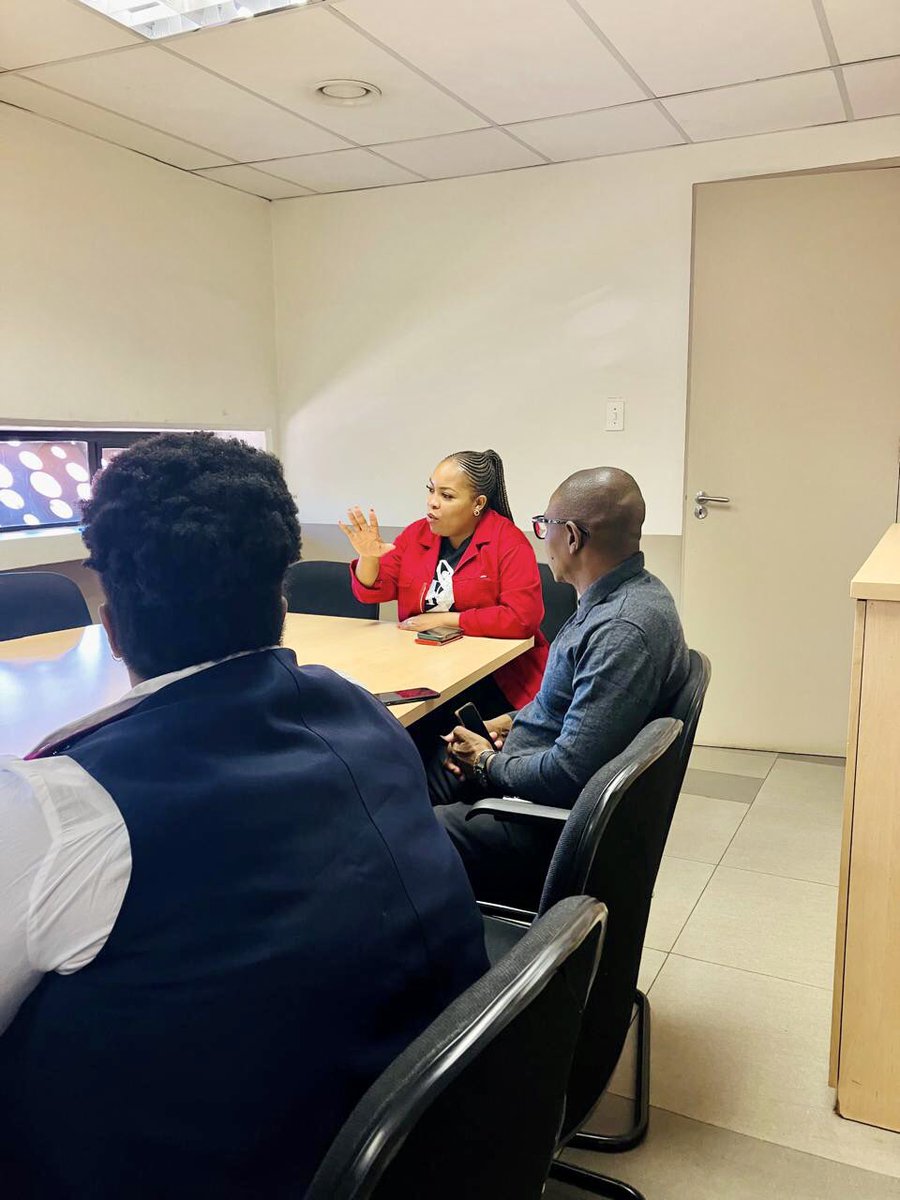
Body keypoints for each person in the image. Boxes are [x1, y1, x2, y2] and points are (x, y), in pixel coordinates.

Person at [0, 433, 488, 1199]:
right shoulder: (364, 713)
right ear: (282, 593)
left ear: (110, 616)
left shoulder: (68, 802)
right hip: (416, 1141)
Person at [435, 467, 690, 909]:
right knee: (412, 775)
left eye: (543, 526)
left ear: (572, 536)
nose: (541, 538)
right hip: (528, 784)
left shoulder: (620, 628)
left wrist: (486, 762)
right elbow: (575, 709)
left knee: (397, 829)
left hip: (539, 824)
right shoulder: (619, 599)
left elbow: (568, 775)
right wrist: (510, 723)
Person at [339, 448, 548, 718]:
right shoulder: (416, 534)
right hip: (424, 666)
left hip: (494, 677)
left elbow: (522, 619)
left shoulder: (508, 541)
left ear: (478, 503)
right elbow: (373, 591)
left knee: (429, 734)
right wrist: (368, 557)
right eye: (431, 490)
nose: (432, 503)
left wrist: (447, 620)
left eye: (446, 496)